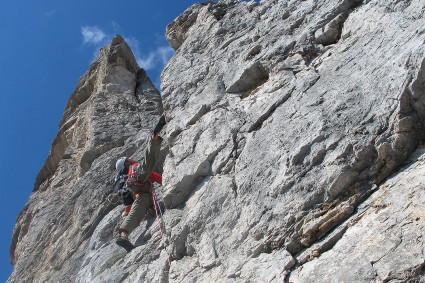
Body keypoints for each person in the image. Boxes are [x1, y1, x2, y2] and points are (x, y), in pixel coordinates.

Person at [115, 115, 166, 252]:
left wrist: (126, 211)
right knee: (149, 161)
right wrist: (165, 182)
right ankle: (154, 137)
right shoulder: (133, 167)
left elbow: (129, 205)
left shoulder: (123, 179)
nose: (131, 158)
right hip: (139, 181)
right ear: (126, 163)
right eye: (128, 159)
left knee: (138, 210)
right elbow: (150, 173)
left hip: (139, 192)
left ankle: (124, 235)